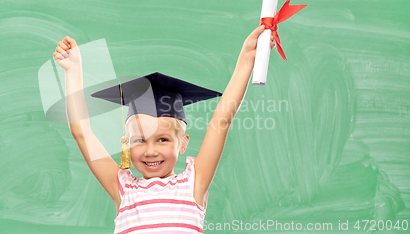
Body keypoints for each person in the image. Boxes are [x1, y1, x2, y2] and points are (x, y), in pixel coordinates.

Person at [53, 25, 275, 233]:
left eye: (162, 140)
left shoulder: (193, 184)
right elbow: (81, 132)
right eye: (140, 140)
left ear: (183, 142)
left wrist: (247, 60)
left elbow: (222, 120)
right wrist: (73, 71)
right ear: (127, 143)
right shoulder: (123, 190)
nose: (151, 151)